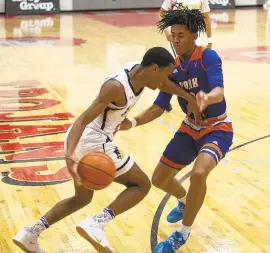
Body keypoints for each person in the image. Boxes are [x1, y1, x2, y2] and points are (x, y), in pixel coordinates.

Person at [12, 47, 200, 253]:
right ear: (154, 69)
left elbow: (166, 85)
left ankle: (30, 233)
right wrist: (68, 155)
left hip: (84, 143)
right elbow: (82, 120)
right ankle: (97, 223)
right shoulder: (115, 87)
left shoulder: (139, 70)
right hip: (94, 143)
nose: (166, 80)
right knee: (141, 184)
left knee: (82, 198)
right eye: (166, 73)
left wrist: (189, 98)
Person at [120, 8, 233, 253]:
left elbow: (219, 91)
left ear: (194, 35)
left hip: (217, 128)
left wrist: (206, 97)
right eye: (173, 35)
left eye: (181, 35)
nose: (176, 40)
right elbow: (160, 106)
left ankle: (182, 233)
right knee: (159, 179)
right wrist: (134, 122)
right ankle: (184, 201)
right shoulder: (172, 68)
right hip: (190, 128)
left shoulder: (207, 57)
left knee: (199, 173)